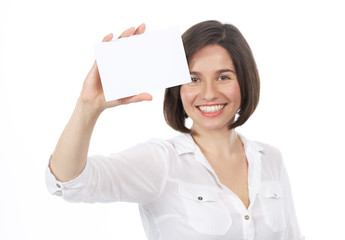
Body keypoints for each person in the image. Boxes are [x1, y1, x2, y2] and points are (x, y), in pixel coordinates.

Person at [46, 20, 304, 240]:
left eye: (223, 77)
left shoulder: (270, 158)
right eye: (194, 79)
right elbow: (69, 182)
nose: (209, 93)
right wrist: (87, 107)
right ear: (177, 89)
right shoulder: (161, 162)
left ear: (245, 81)